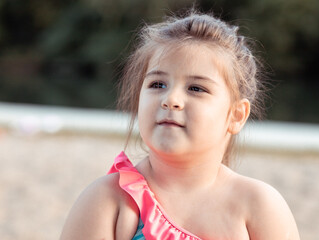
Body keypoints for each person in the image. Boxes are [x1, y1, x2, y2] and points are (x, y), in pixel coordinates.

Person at [60, 10, 300, 240]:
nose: (171, 100)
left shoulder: (259, 207)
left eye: (196, 88)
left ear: (236, 115)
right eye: (157, 85)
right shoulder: (109, 201)